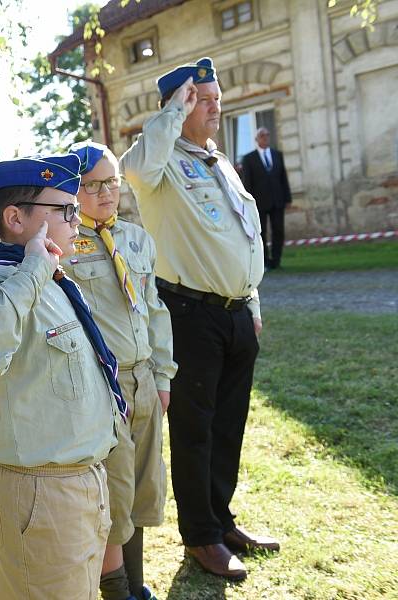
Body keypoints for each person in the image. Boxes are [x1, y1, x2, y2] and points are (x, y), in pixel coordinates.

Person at [121, 58, 279, 582]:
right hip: (190, 315)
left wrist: (251, 302)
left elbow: (244, 236)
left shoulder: (221, 162)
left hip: (235, 316)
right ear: (179, 106)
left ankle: (221, 521)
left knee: (228, 427)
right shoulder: (161, 166)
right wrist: (173, 111)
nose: (216, 107)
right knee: (194, 431)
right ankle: (200, 537)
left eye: (215, 98)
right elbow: (136, 168)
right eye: (203, 100)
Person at [0, 154, 122, 600]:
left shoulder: (48, 277)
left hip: (78, 482)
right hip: (40, 493)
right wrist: (33, 272)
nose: (76, 220)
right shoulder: (6, 281)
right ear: (15, 218)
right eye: (64, 211)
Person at [63, 141, 176, 600]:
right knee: (115, 490)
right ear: (73, 191)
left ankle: (136, 583)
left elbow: (154, 309)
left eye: (111, 181)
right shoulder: (64, 245)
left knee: (146, 487)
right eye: (92, 185)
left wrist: (162, 375)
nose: (106, 192)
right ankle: (116, 590)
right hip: (103, 386)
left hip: (144, 377)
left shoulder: (134, 238)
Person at [241, 127, 292, 270]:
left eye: (267, 135)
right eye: (262, 136)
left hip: (277, 200)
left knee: (278, 231)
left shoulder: (277, 155)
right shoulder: (249, 158)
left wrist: (287, 199)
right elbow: (247, 183)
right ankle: (264, 262)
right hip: (259, 202)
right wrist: (248, 202)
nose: (265, 138)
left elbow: (283, 178)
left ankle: (276, 261)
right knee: (261, 232)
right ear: (257, 139)